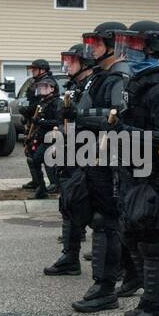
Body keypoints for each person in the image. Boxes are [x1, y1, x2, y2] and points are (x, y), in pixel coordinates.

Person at [109, 21, 159, 316]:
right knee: (135, 239)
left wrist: (128, 134)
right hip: (134, 174)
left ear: (152, 49)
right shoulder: (137, 82)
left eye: (134, 45)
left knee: (152, 247)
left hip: (155, 177)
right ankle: (155, 300)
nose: (127, 52)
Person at [71, 22, 129, 313]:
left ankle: (107, 287)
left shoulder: (120, 76)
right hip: (94, 157)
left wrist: (86, 115)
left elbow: (116, 115)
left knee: (108, 222)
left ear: (113, 45)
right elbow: (86, 112)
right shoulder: (99, 76)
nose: (90, 48)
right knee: (101, 221)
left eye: (96, 42)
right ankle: (109, 282)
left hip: (112, 159)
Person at [45, 42, 97, 276]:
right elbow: (63, 118)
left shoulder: (93, 86)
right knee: (68, 204)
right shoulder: (73, 86)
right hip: (69, 151)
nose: (67, 66)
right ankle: (70, 257)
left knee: (98, 212)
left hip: (89, 154)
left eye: (72, 61)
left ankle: (117, 265)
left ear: (84, 63)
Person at [24, 73, 61, 200]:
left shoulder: (57, 103)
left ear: (52, 88)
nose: (41, 89)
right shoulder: (43, 102)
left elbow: (58, 122)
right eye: (40, 87)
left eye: (45, 86)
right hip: (42, 137)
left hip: (53, 138)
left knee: (40, 160)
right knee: (36, 160)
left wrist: (41, 122)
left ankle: (50, 187)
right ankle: (43, 188)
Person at [20, 59, 54, 193]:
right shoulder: (35, 82)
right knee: (30, 151)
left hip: (43, 124)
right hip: (32, 121)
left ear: (42, 69)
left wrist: (29, 110)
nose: (32, 71)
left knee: (46, 155)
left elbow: (42, 102)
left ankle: (53, 183)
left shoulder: (48, 83)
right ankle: (36, 181)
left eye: (34, 69)